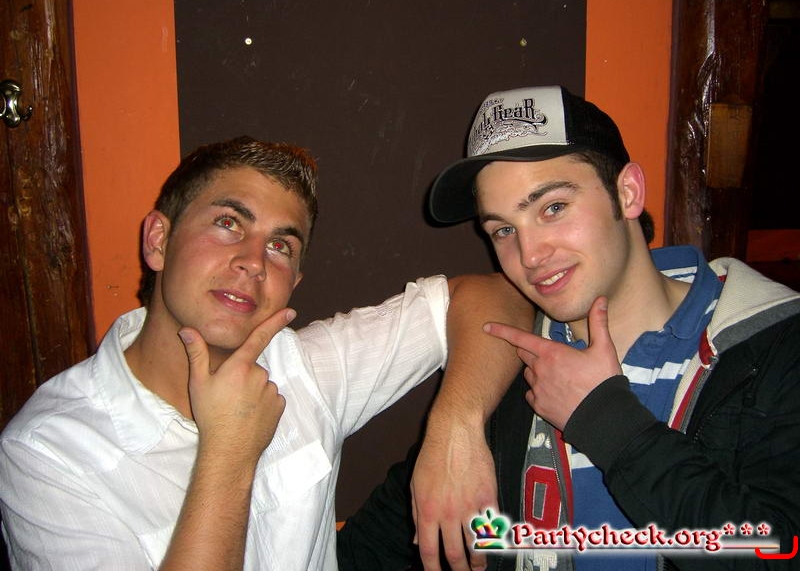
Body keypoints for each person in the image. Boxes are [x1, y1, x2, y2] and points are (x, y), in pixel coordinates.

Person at [0, 136, 533, 570]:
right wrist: (230, 451)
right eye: (228, 223)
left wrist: (456, 428)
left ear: (293, 283)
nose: (254, 261)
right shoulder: (49, 453)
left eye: (280, 245)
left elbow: (498, 297)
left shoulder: (301, 368)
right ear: (158, 240)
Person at [337, 85, 800, 571]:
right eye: (503, 230)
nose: (530, 255)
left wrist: (609, 425)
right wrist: (455, 423)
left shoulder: (770, 347)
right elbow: (364, 551)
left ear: (627, 192)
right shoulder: (504, 367)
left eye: (553, 207)